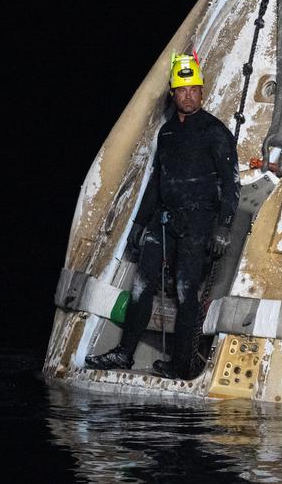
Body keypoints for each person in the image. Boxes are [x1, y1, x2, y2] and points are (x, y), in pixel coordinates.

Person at [86, 52, 239, 378]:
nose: (188, 95)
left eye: (193, 89)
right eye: (182, 90)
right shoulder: (167, 132)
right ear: (173, 93)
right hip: (164, 220)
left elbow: (231, 183)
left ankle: (182, 364)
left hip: (199, 223)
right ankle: (124, 354)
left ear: (202, 90)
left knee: (186, 294)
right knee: (142, 287)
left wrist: (223, 226)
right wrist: (138, 226)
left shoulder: (215, 132)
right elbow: (156, 182)